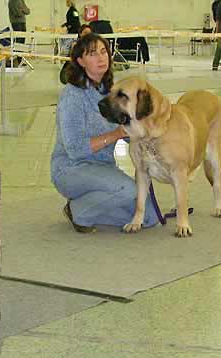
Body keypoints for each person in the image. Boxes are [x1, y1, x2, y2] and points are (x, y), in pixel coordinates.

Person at [51, 33, 160, 233]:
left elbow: (130, 131)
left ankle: (90, 205)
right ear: (80, 61)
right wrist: (117, 133)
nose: (101, 58)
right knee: (128, 191)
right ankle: (78, 211)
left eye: (103, 52)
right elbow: (75, 149)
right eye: (92, 54)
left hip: (103, 167)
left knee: (149, 217)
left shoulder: (111, 91)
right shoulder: (71, 96)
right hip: (71, 169)